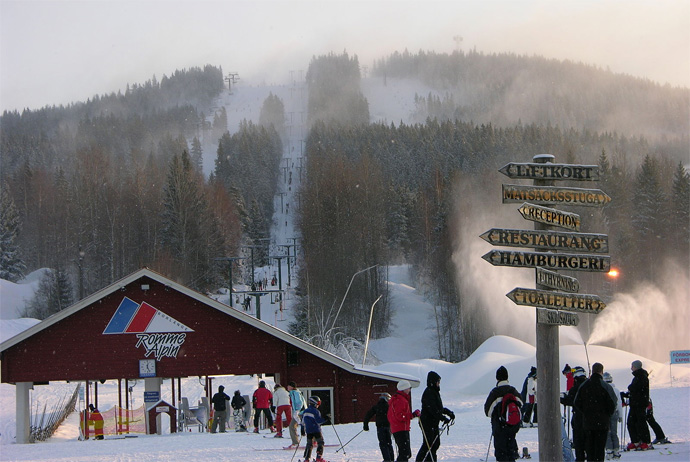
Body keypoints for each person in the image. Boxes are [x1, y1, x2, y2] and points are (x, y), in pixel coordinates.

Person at [573, 362, 615, 461]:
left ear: (592, 371)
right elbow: (612, 404)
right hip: (602, 423)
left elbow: (577, 402)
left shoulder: (584, 385)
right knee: (600, 449)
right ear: (602, 371)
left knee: (590, 447)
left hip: (588, 422)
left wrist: (586, 412)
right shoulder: (606, 386)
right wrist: (606, 414)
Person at [484, 366, 522, 462]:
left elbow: (488, 411)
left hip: (499, 428)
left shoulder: (495, 393)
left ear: (497, 378)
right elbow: (521, 404)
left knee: (501, 454)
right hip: (512, 427)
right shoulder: (513, 390)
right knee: (511, 452)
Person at [415, 371, 455, 461]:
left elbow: (438, 408)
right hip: (427, 422)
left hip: (433, 422)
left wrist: (448, 412)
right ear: (433, 382)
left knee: (435, 444)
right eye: (437, 381)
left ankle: (430, 460)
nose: (438, 383)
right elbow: (432, 409)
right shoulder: (429, 392)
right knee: (428, 444)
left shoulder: (434, 392)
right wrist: (442, 418)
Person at [388, 380, 421, 462]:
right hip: (401, 429)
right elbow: (400, 416)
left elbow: (391, 415)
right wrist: (413, 415)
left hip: (398, 428)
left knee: (405, 453)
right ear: (404, 388)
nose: (409, 390)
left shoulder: (396, 399)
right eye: (409, 388)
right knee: (405, 453)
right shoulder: (401, 400)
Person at [623, 359, 652, 451]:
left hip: (640, 404)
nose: (631, 368)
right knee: (631, 422)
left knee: (641, 423)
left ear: (635, 367)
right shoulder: (637, 377)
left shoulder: (642, 376)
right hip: (634, 403)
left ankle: (646, 442)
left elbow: (637, 388)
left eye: (632, 366)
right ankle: (636, 441)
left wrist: (630, 388)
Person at [561, 365, 587, 461]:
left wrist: (561, 399)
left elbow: (570, 400)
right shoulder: (589, 385)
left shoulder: (575, 388)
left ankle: (580, 457)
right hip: (590, 417)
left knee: (578, 439)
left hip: (578, 416)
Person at [364, 392, 395, 462]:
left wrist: (366, 425)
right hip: (388, 427)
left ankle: (387, 459)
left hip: (380, 428)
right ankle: (391, 459)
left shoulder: (376, 406)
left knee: (383, 444)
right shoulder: (390, 406)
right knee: (389, 443)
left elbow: (368, 415)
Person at [602, 372, 623, 459]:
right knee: (614, 432)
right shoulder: (616, 390)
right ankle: (616, 450)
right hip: (615, 412)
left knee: (607, 432)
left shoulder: (603, 389)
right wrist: (620, 415)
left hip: (606, 413)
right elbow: (619, 404)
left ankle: (609, 450)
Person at [301, 396, 327, 462]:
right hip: (316, 430)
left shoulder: (305, 411)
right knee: (320, 442)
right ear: (315, 403)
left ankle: (306, 459)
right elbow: (319, 421)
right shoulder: (316, 411)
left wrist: (302, 429)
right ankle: (319, 457)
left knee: (309, 444)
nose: (318, 405)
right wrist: (325, 419)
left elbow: (303, 422)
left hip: (308, 430)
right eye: (318, 403)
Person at [288, 381, 306, 448]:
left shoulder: (295, 393)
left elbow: (299, 402)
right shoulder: (293, 393)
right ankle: (295, 442)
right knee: (304, 426)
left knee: (292, 426)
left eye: (288, 386)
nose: (287, 387)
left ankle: (295, 442)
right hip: (299, 412)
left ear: (292, 387)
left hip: (300, 413)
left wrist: (297, 410)